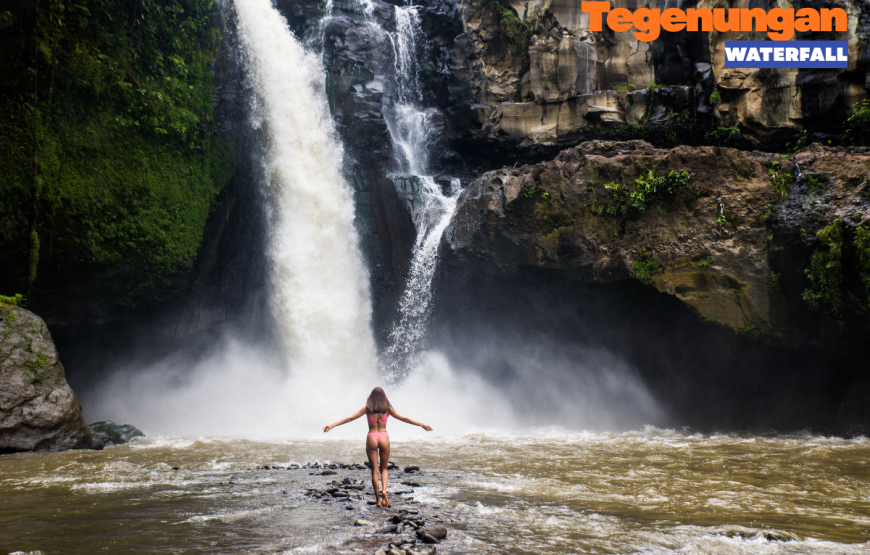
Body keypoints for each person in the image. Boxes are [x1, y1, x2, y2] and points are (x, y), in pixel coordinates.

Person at [323, 387, 432, 507]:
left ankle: (378, 501)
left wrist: (332, 424)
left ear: (371, 397)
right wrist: (421, 424)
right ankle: (384, 491)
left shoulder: (367, 408)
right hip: (384, 437)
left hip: (372, 437)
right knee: (384, 469)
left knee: (374, 471)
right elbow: (404, 418)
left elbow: (350, 418)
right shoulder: (387, 409)